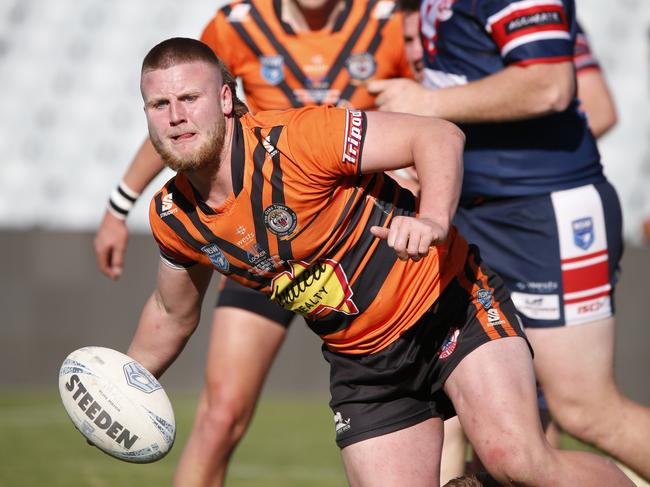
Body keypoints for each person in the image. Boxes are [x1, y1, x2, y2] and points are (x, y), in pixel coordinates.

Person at [128, 36, 632, 487]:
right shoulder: (174, 217)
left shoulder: (299, 140)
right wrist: (120, 386)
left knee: (515, 460)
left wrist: (433, 220)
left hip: (449, 306)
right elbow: (171, 315)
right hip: (363, 364)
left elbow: (438, 136)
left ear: (224, 99)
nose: (175, 116)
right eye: (160, 103)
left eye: (189, 98)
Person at [93, 1, 413, 484]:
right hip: (253, 238)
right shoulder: (236, 25)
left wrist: (410, 167)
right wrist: (120, 205)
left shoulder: (387, 19)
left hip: (356, 231)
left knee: (446, 410)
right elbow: (179, 117)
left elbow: (432, 109)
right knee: (221, 414)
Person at [368, 0, 650, 482]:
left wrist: (428, 105)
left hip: (546, 215)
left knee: (585, 411)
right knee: (488, 422)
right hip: (477, 216)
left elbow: (550, 84)